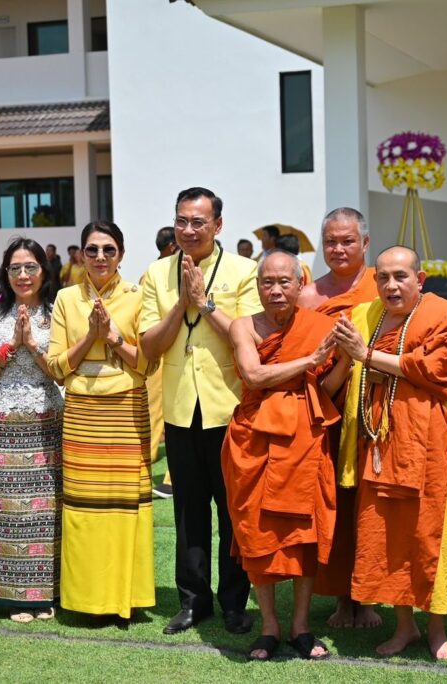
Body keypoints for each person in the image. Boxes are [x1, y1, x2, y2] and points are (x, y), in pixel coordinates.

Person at [331, 246, 447, 660]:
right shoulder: (366, 315)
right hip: (378, 439)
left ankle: (437, 628)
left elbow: (434, 369)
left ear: (419, 279)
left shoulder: (442, 314)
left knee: (430, 532)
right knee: (386, 533)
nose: (391, 285)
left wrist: (368, 356)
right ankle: (404, 626)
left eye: (401, 276)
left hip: (428, 441)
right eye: (383, 277)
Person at [140, 187, 260, 636]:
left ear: (218, 225)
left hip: (228, 408)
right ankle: (193, 602)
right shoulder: (157, 273)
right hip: (179, 408)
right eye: (181, 221)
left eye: (198, 222)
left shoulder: (243, 271)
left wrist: (205, 303)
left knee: (232, 513)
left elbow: (249, 339)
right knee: (189, 512)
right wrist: (181, 304)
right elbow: (150, 345)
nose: (188, 230)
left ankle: (234, 602)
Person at [223, 250, 345, 661]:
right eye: (267, 282)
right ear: (257, 287)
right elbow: (255, 375)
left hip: (304, 435)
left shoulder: (319, 326)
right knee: (256, 532)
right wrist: (312, 359)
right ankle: (269, 626)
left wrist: (345, 358)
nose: (275, 290)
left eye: (284, 282)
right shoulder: (243, 325)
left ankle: (301, 626)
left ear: (299, 284)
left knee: (302, 534)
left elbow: (325, 389)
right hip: (254, 438)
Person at [48, 221, 153, 620]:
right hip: (82, 411)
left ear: (121, 254)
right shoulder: (66, 298)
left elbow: (147, 364)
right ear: (81, 254)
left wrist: (111, 337)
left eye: (109, 249)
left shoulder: (137, 297)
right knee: (83, 506)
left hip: (126, 409)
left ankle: (128, 597)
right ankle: (86, 600)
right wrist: (89, 338)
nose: (100, 257)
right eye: (91, 250)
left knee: (126, 503)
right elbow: (57, 367)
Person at [297, 207, 380, 629]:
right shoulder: (310, 296)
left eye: (348, 241)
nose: (339, 248)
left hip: (376, 408)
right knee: (335, 502)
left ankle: (369, 596)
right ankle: (342, 599)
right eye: (331, 241)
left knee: (372, 502)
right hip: (328, 407)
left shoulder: (383, 285)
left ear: (365, 243)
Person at [0, 238, 63, 623]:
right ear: (5, 273)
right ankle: (6, 595)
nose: (23, 275)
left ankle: (44, 594)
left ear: (44, 271)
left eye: (30, 267)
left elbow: (62, 371)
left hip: (46, 420)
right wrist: (11, 346)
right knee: (4, 510)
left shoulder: (59, 313)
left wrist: (33, 346)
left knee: (44, 511)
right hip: (2, 420)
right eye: (15, 268)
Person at [148, 226, 178, 499]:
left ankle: (170, 477)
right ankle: (150, 469)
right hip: (161, 354)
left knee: (169, 416)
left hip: (170, 354)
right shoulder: (157, 273)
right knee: (157, 414)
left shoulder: (150, 272)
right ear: (171, 247)